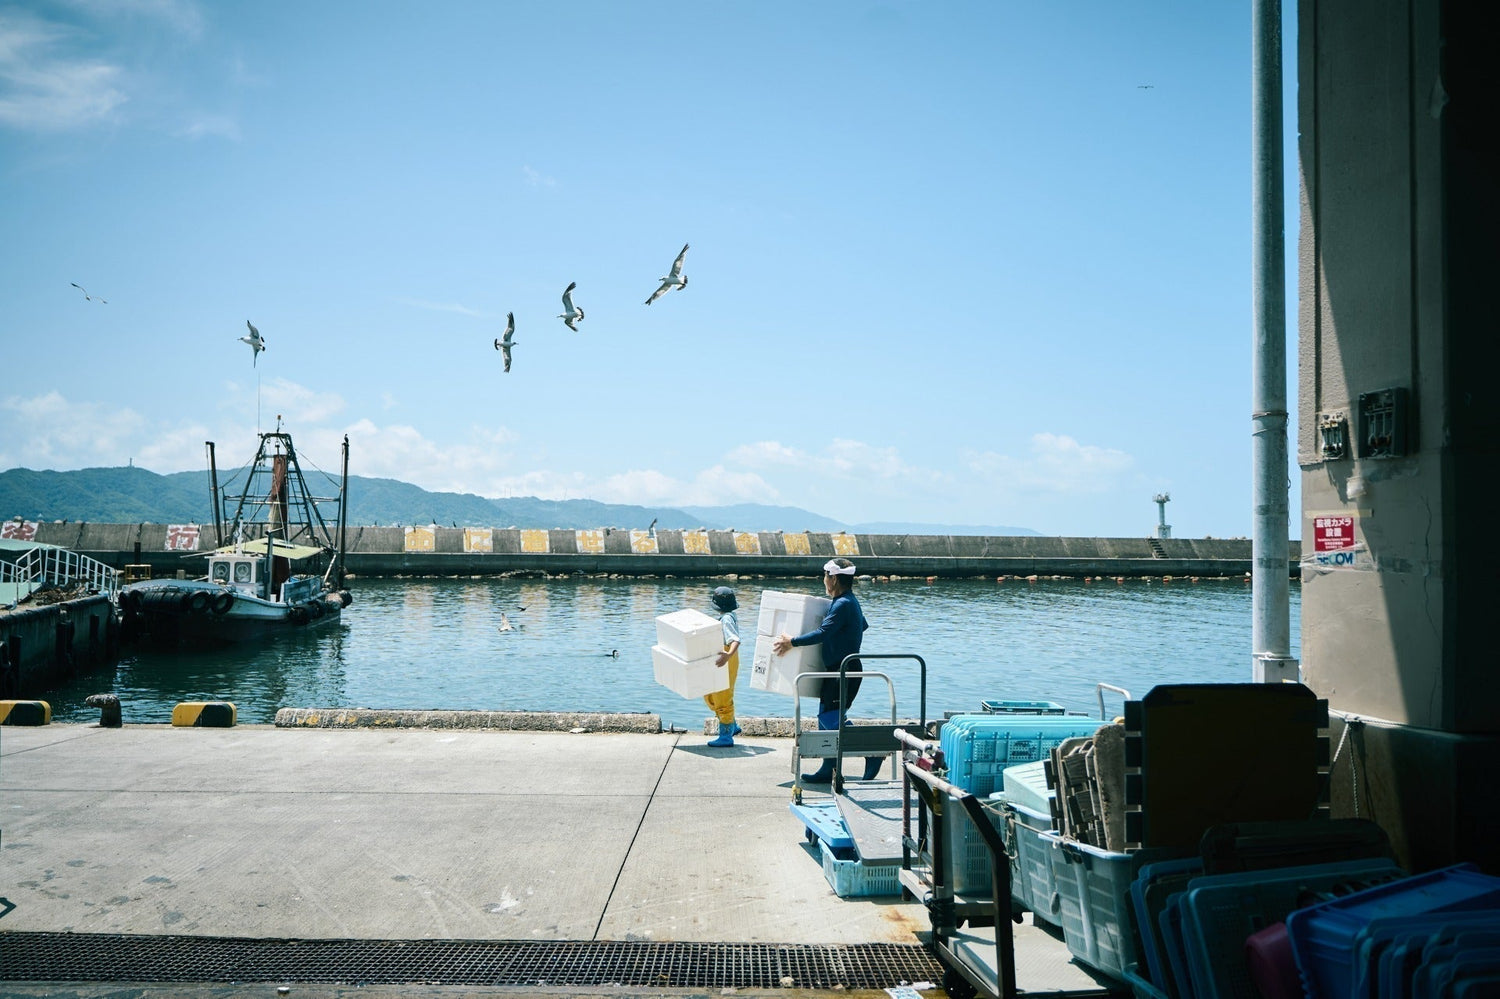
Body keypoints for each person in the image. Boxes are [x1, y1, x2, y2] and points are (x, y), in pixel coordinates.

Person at [772, 557, 882, 782]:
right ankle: (829, 768)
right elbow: (863, 625)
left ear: (833, 578)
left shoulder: (842, 604)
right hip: (838, 669)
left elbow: (823, 633)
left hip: (843, 670)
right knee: (825, 719)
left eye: (825, 576)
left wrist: (792, 641)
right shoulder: (847, 601)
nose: (824, 581)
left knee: (831, 718)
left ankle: (873, 752)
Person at [705, 585, 742, 747]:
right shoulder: (729, 616)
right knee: (713, 694)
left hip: (727, 659)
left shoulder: (726, 619)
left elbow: (735, 639)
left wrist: (727, 655)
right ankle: (732, 726)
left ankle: (726, 736)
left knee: (722, 697)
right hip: (727, 659)